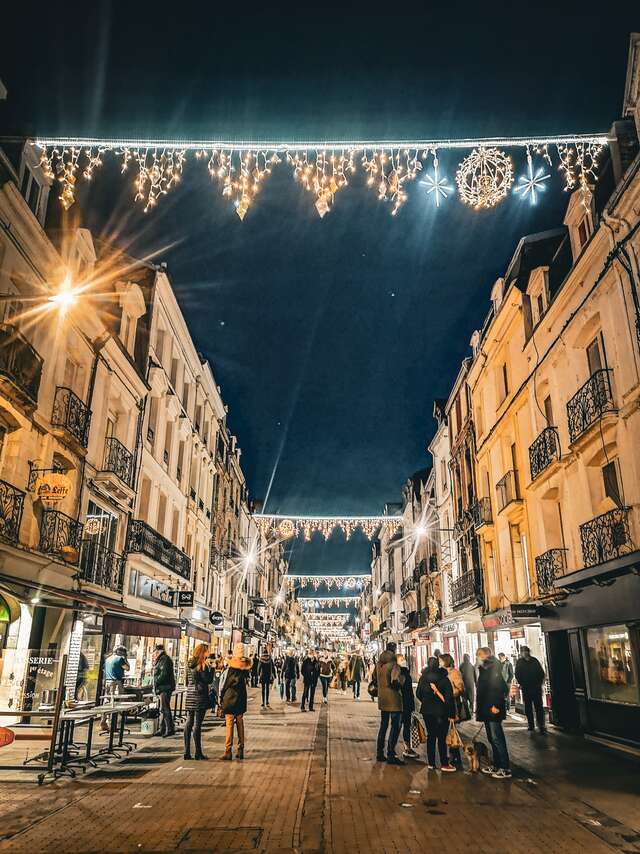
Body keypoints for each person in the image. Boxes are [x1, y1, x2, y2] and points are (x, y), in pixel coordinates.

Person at [476, 647, 511, 779]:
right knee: (492, 738)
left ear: (486, 655)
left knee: (497, 738)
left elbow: (499, 688)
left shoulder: (493, 669)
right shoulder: (486, 669)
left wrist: (495, 705)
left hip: (492, 708)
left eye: (479, 655)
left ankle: (505, 768)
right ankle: (497, 765)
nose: (477, 657)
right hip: (486, 708)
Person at [416, 656, 456, 772]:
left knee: (431, 736)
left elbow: (418, 693)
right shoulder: (444, 678)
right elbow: (449, 698)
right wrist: (452, 714)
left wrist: (426, 701)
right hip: (441, 711)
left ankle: (431, 763)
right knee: (441, 737)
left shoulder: (423, 678)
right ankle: (444, 763)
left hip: (427, 711)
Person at [371, 641, 405, 765]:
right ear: (394, 650)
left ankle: (380, 752)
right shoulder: (394, 665)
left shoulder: (379, 664)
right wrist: (403, 679)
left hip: (382, 699)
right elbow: (396, 681)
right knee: (395, 726)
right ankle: (391, 753)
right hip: (394, 700)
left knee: (383, 725)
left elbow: (374, 678)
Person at [220, 642, 252, 760]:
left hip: (230, 698)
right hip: (241, 698)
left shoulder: (231, 668)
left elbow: (226, 684)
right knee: (240, 723)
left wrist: (221, 696)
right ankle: (241, 749)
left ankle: (228, 751)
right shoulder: (245, 668)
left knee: (229, 725)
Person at [184, 643, 214, 760]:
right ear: (203, 652)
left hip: (190, 695)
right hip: (199, 696)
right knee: (197, 724)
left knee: (189, 723)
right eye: (207, 651)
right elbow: (208, 680)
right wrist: (212, 668)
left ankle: (186, 752)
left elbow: (187, 681)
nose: (208, 653)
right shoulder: (202, 665)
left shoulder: (189, 664)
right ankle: (198, 752)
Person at [515, 646, 547, 734]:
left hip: (536, 688)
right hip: (526, 688)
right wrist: (522, 683)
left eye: (526, 651)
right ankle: (531, 725)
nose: (524, 653)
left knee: (539, 707)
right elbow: (517, 674)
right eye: (523, 651)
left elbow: (541, 673)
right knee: (528, 708)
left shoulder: (534, 661)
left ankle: (541, 725)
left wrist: (539, 684)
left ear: (528, 652)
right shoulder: (520, 662)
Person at [100, 645, 129, 733]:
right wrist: (125, 659)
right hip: (116, 682)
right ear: (121, 652)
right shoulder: (120, 659)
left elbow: (104, 669)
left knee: (107, 702)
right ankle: (113, 724)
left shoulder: (108, 659)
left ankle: (103, 721)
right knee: (117, 703)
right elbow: (127, 668)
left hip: (108, 682)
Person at [396, 653, 417, 759]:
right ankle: (406, 748)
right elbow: (408, 692)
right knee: (403, 727)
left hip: (402, 704)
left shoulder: (399, 674)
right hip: (404, 704)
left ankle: (405, 748)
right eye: (401, 659)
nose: (404, 661)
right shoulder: (403, 674)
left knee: (403, 727)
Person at [153, 644, 176, 738]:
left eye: (155, 652)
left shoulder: (164, 660)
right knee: (163, 708)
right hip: (164, 687)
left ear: (158, 651)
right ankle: (163, 728)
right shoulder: (163, 659)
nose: (154, 654)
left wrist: (156, 680)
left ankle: (169, 729)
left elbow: (163, 674)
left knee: (165, 708)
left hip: (165, 687)